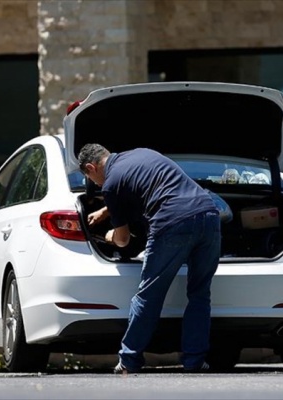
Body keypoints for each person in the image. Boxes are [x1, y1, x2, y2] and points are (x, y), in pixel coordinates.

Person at [78, 143, 221, 374]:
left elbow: (123, 240)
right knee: (200, 294)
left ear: (91, 167)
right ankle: (195, 361)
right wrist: (107, 210)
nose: (96, 184)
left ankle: (129, 360)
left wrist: (110, 235)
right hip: (209, 216)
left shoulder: (110, 184)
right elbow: (144, 187)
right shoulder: (142, 153)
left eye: (92, 179)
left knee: (148, 296)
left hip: (172, 223)